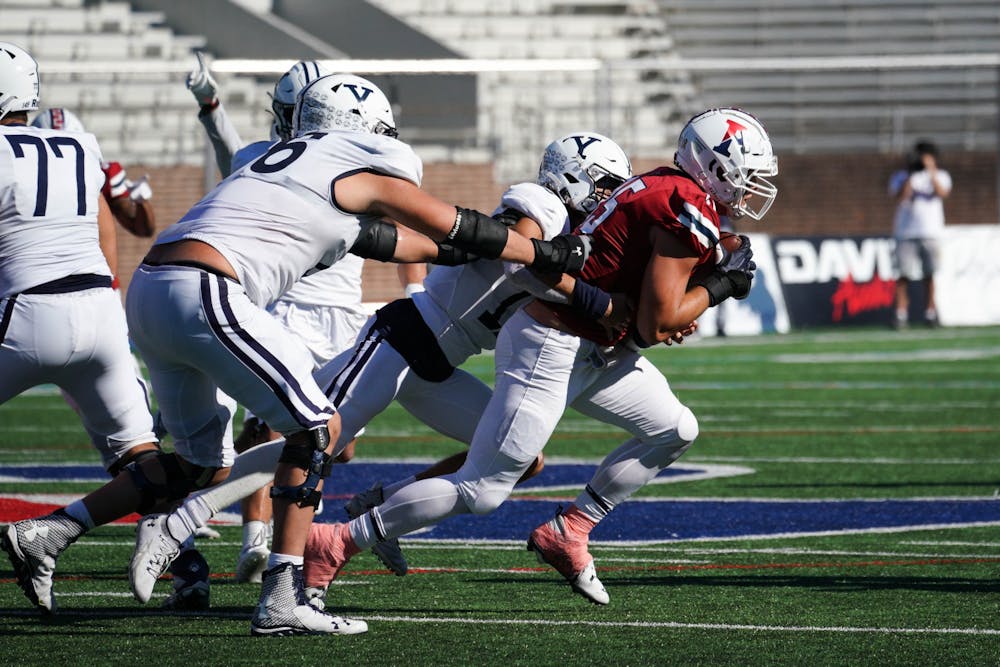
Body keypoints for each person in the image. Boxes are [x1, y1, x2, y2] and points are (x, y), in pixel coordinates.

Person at [92, 72, 584, 636]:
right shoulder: (538, 205)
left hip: (389, 336)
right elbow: (479, 236)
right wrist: (583, 284)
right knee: (311, 434)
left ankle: (361, 515)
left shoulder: (310, 164)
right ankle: (198, 522)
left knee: (498, 457)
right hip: (315, 316)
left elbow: (389, 237)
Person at [299, 107, 777, 606]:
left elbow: (652, 309)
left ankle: (570, 529)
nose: (753, 187)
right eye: (748, 173)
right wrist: (720, 286)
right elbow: (654, 326)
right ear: (713, 163)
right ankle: (336, 541)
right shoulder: (680, 200)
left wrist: (682, 302)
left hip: (597, 345)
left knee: (675, 429)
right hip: (552, 342)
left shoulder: (670, 188)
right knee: (482, 489)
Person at [186, 55, 428, 583]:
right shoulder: (265, 157)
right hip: (286, 307)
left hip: (344, 315)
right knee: (284, 428)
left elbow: (401, 220)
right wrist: (211, 113)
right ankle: (259, 539)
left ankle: (281, 534)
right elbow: (236, 156)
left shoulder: (358, 161)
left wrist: (415, 290)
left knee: (338, 445)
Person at [0, 42, 161, 615]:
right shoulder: (80, 145)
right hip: (99, 317)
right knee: (149, 462)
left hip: (22, 316)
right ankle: (185, 565)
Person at [888, 139, 951, 329]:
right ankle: (901, 314)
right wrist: (910, 176)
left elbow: (942, 192)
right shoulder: (901, 176)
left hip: (930, 232)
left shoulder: (941, 175)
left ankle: (931, 313)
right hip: (905, 233)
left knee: (929, 275)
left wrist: (930, 171)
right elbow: (900, 197)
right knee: (902, 275)